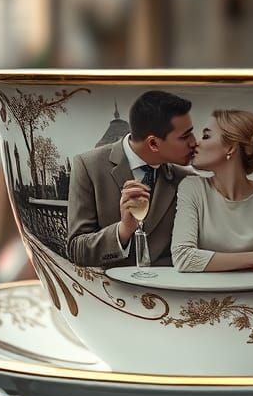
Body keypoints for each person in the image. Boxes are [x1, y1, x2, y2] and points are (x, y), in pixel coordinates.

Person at [66, 90, 197, 267]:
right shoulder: (88, 166)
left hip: (171, 288)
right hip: (110, 291)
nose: (194, 142)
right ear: (153, 143)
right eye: (185, 136)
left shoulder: (186, 178)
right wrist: (123, 230)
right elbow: (76, 250)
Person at [171, 109, 253, 273]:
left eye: (206, 136)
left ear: (230, 148)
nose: (196, 143)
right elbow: (184, 258)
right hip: (202, 296)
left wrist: (210, 263)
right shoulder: (192, 188)